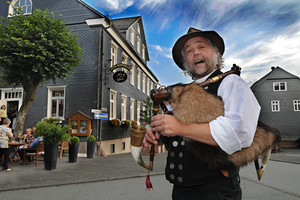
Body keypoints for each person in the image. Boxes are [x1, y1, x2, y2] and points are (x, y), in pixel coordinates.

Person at [143, 28, 261, 200]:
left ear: (216, 53)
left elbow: (239, 132)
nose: (195, 52)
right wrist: (158, 134)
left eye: (201, 47)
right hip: (181, 189)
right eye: (189, 51)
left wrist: (180, 127)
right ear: (186, 62)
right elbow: (175, 136)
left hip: (215, 191)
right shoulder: (182, 92)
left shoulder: (231, 82)